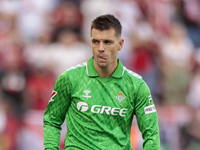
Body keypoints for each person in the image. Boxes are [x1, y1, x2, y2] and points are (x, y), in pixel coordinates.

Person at [43, 14, 160, 150]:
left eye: (107, 42)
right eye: (96, 42)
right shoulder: (69, 78)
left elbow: (151, 133)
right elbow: (52, 120)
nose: (100, 48)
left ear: (120, 44)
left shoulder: (136, 85)